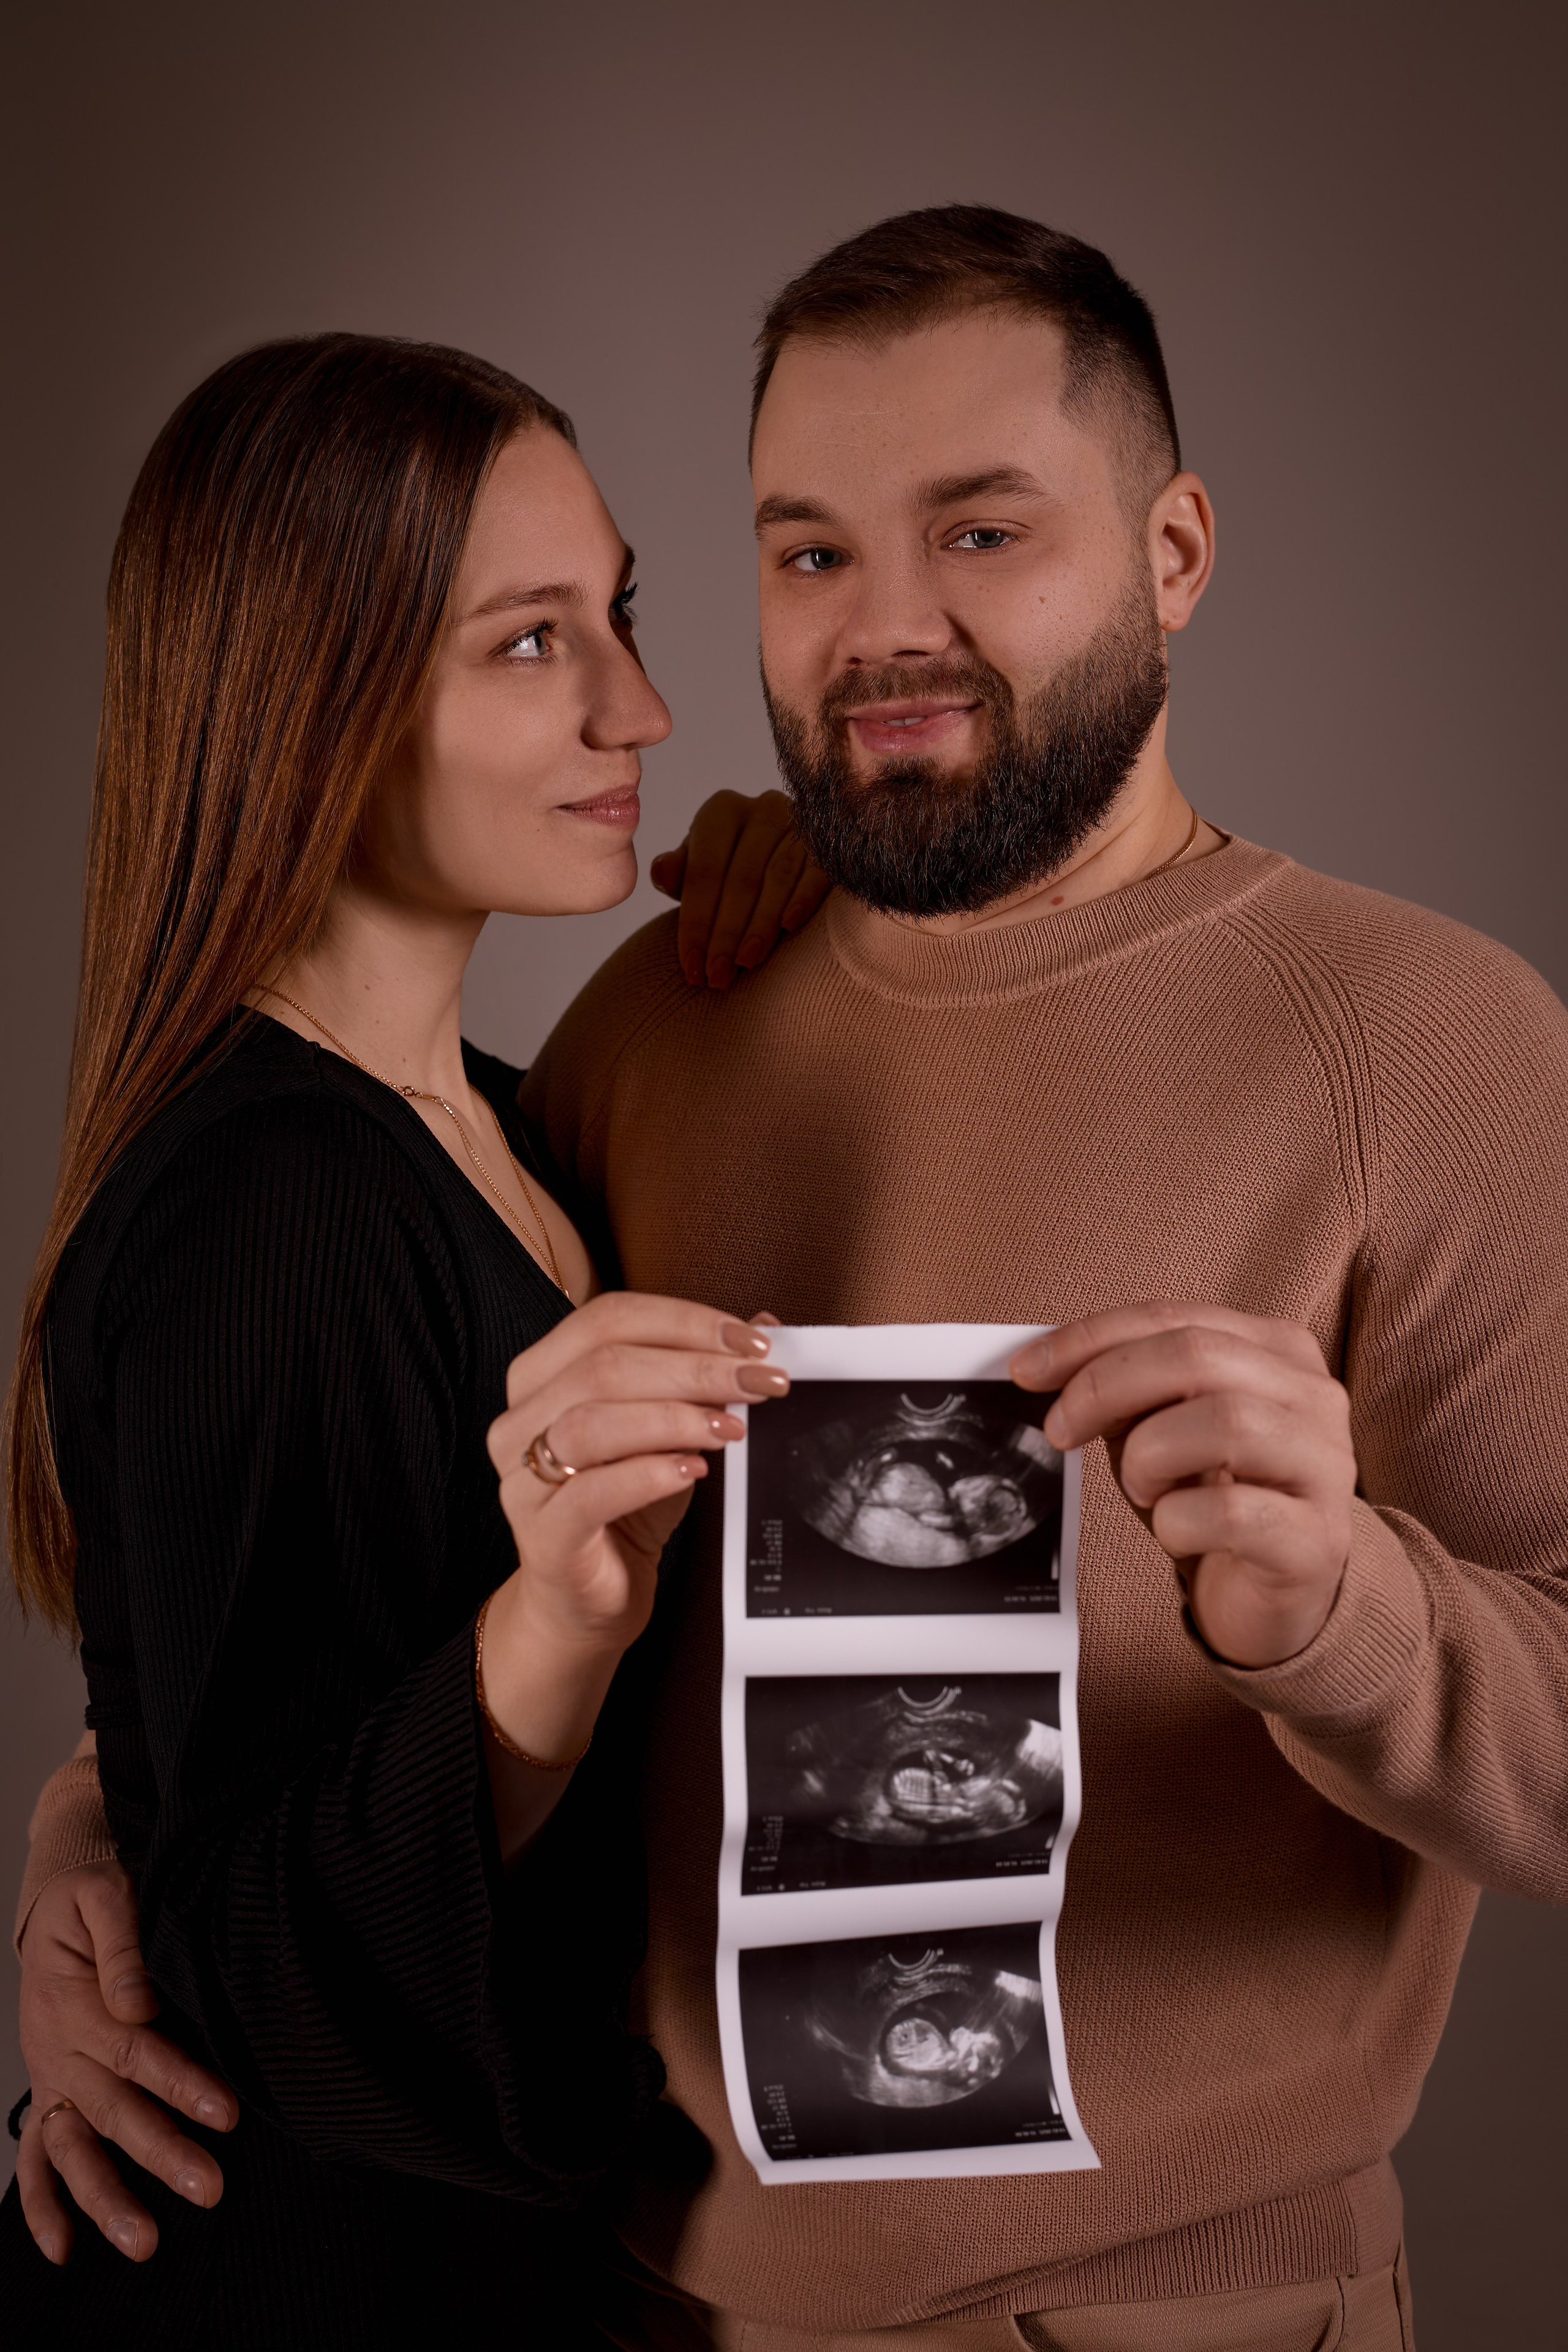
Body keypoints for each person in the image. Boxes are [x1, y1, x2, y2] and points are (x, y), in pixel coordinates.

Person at [17, 205, 1568, 2348]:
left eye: (984, 531)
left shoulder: (1431, 1045)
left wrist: (1353, 1618)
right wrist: (103, 1836)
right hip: (628, 2301)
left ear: (1178, 553)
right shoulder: (655, 1020)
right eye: (814, 550)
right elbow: (374, 1567)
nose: (887, 630)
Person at [0, 329, 831, 2339]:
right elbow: (268, 1957)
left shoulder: (501, 1115)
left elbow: (235, 1715)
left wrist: (88, 1811)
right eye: (530, 644)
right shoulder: (272, 1202)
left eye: (614, 614)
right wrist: (560, 1614)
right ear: (320, 702)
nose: (638, 701)